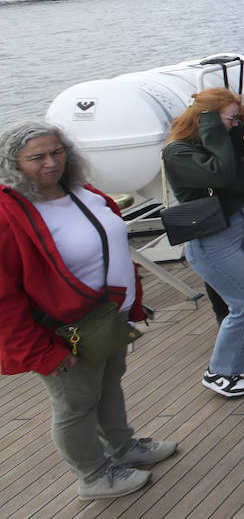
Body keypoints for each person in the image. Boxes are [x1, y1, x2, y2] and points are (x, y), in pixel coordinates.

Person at [0, 121, 176, 500]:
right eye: (37, 157)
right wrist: (40, 352)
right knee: (75, 406)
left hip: (104, 320)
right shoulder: (7, 214)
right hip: (62, 332)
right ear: (12, 163)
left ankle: (122, 448)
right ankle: (93, 476)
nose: (51, 162)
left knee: (109, 386)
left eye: (57, 152)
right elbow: (4, 299)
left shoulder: (80, 191)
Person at [162, 89, 244, 398]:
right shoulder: (177, 152)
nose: (234, 125)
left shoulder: (223, 140)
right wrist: (213, 128)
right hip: (211, 239)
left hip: (240, 225)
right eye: (229, 120)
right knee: (243, 303)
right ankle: (219, 371)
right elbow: (222, 173)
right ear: (207, 121)